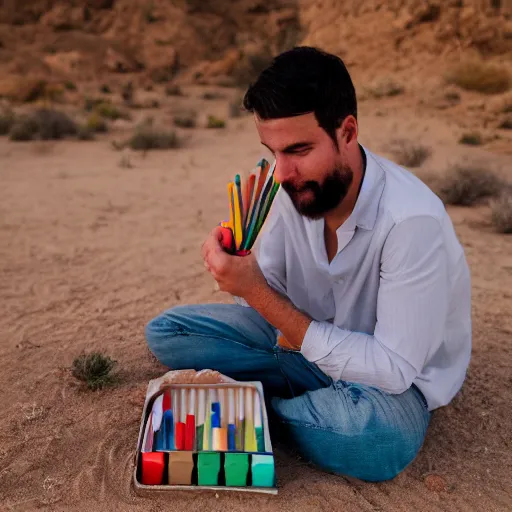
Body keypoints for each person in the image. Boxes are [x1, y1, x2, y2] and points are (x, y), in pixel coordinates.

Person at [145, 47, 472, 482]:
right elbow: (272, 307)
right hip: (305, 347)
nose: (281, 172)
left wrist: (255, 291)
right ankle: (298, 408)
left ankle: (262, 413)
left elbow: (393, 368)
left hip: (390, 385)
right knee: (169, 332)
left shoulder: (411, 221)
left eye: (298, 149)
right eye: (272, 151)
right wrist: (244, 267)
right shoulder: (293, 190)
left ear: (348, 132)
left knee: (374, 438)